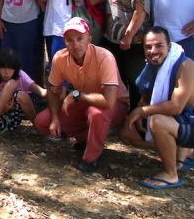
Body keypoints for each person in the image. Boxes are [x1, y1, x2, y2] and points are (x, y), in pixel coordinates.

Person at [120, 27, 194, 189]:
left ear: (169, 46)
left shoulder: (184, 66)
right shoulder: (153, 64)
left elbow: (176, 106)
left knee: (158, 122)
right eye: (148, 47)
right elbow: (146, 95)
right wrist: (136, 115)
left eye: (159, 46)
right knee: (126, 134)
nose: (153, 51)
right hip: (181, 120)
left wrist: (141, 112)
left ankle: (171, 173)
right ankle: (180, 153)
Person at [34, 17, 129, 172]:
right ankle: (85, 138)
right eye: (70, 40)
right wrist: (56, 118)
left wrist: (77, 95)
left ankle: (92, 158)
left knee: (96, 113)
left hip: (115, 103)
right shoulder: (60, 57)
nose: (75, 44)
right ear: (64, 41)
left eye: (80, 38)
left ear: (89, 38)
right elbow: (53, 89)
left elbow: (109, 101)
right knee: (43, 121)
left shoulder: (105, 57)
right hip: (84, 99)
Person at [103, 0, 152, 110]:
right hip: (114, 39)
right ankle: (121, 117)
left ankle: (136, 120)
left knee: (135, 82)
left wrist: (128, 36)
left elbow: (140, 11)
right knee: (119, 80)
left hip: (132, 41)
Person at [0, 48, 45, 145]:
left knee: (21, 94)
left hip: (13, 120)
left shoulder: (20, 75)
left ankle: (39, 128)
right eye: (3, 68)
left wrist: (56, 89)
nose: (6, 72)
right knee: (12, 83)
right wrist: (4, 109)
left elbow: (40, 91)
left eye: (10, 68)